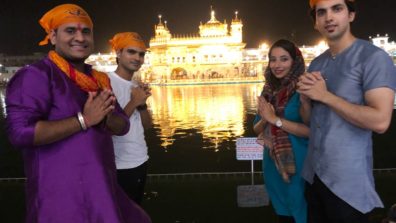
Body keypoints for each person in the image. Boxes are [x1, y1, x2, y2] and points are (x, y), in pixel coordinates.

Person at [5, 4, 151, 223]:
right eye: (70, 31)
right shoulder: (35, 76)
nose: (80, 38)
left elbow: (123, 126)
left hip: (103, 191)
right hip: (59, 198)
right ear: (53, 36)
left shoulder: (99, 80)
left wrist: (107, 118)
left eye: (86, 31)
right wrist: (84, 120)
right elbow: (20, 134)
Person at [297, 0, 396, 222]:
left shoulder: (373, 58)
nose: (329, 17)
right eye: (321, 13)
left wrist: (325, 96)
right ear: (316, 23)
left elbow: (381, 121)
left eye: (337, 9)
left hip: (348, 185)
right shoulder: (317, 64)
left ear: (351, 15)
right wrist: (305, 101)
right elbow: (312, 122)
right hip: (314, 178)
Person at [253, 39, 310, 223]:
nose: (277, 65)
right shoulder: (269, 90)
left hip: (298, 162)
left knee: (301, 211)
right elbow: (256, 127)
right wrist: (264, 117)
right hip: (273, 164)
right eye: (273, 59)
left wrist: (274, 119)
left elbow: (311, 131)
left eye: (284, 59)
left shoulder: (304, 89)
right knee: (283, 214)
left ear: (295, 61)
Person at [108, 32, 152, 205]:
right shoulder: (106, 83)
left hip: (140, 159)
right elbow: (113, 129)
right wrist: (134, 101)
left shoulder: (135, 85)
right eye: (131, 52)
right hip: (119, 165)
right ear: (118, 53)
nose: (137, 58)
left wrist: (142, 104)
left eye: (141, 54)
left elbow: (146, 126)